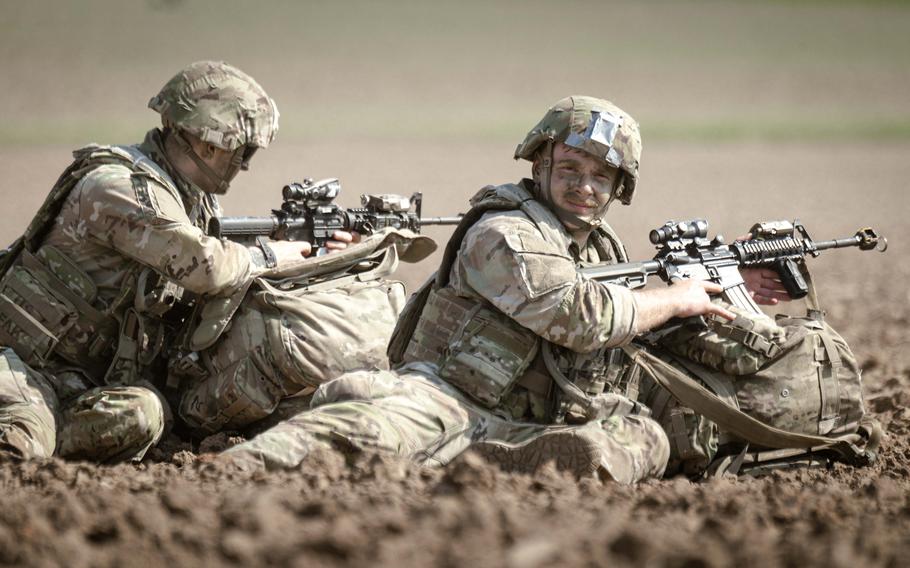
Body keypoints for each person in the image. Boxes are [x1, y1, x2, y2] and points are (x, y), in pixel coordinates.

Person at [219, 95, 791, 483]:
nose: (585, 188)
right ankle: (228, 474)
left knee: (645, 439)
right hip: (446, 398)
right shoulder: (504, 233)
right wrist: (678, 295)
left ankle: (501, 465)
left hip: (531, 423)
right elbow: (577, 315)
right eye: (570, 169)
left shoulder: (597, 250)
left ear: (620, 187)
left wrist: (720, 282)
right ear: (539, 164)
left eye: (601, 177)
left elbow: (626, 313)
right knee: (362, 433)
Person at [0, 60, 425, 463]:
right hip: (26, 365)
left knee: (145, 416)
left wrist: (316, 252)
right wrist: (269, 254)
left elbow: (209, 264)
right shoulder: (115, 186)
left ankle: (52, 443)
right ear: (208, 141)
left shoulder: (190, 201)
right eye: (243, 152)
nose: (244, 165)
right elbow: (205, 266)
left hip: (87, 382)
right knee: (20, 440)